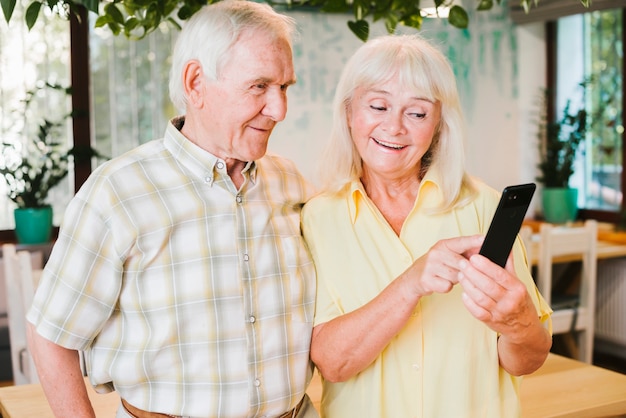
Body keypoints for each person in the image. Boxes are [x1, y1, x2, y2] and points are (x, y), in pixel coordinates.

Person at [26, 1, 318, 417]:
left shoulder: (290, 182)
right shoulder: (119, 192)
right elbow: (51, 335)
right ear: (196, 82)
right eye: (259, 86)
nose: (279, 110)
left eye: (285, 87)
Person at [301, 34, 552, 418]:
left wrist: (518, 324)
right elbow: (333, 364)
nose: (395, 127)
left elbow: (527, 360)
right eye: (379, 106)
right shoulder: (317, 217)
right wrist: (411, 283)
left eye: (416, 113)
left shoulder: (483, 206)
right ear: (350, 112)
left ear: (438, 124)